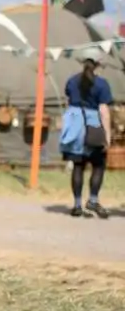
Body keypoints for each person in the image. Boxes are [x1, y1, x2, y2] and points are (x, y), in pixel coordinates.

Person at [59, 46, 113, 218]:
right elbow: (104, 111)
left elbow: (70, 101)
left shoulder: (71, 81)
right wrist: (107, 136)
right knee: (98, 165)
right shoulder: (102, 84)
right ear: (98, 64)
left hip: (75, 126)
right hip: (93, 126)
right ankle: (93, 200)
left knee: (78, 166)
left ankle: (76, 205)